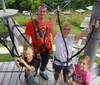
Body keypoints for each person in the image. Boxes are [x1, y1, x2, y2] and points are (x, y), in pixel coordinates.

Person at [51, 10, 90, 85]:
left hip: (67, 63)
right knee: (56, 73)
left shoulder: (71, 38)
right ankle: (56, 82)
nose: (66, 30)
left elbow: (81, 35)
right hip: (57, 62)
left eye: (68, 29)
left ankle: (65, 82)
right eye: (64, 28)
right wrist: (55, 16)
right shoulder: (57, 37)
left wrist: (87, 31)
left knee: (66, 75)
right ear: (61, 28)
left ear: (70, 30)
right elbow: (52, 26)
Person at [23, 3, 53, 80]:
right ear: (37, 11)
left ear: (46, 12)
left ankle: (42, 71)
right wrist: (24, 52)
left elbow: (50, 35)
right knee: (35, 63)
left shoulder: (48, 22)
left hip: (46, 48)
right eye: (40, 11)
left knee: (45, 61)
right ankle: (33, 73)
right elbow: (26, 38)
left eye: (44, 11)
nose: (42, 13)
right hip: (36, 49)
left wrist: (52, 46)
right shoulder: (31, 23)